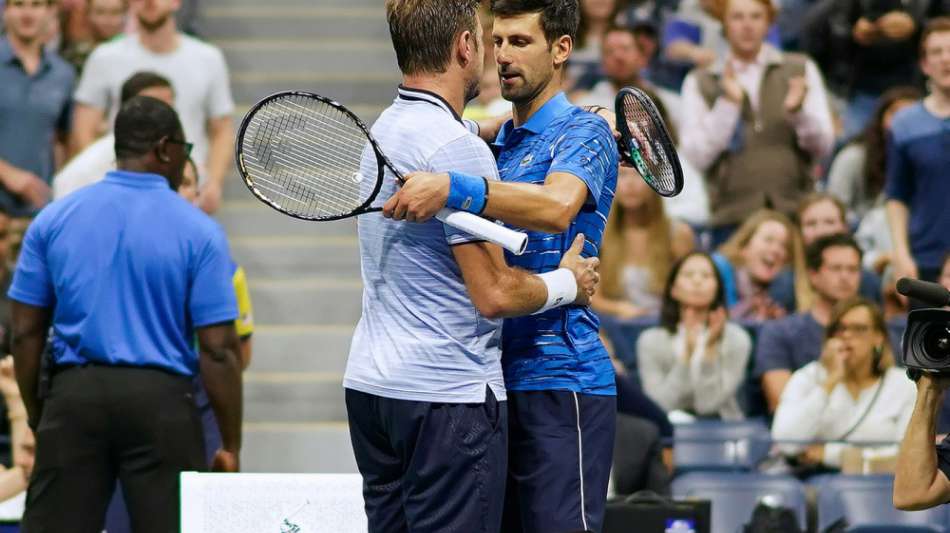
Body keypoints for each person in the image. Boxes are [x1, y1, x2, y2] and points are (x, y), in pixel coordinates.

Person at [344, 2, 600, 532]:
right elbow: (495, 295)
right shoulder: (463, 144)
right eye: (494, 41)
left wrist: (587, 129)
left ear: (561, 49)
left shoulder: (384, 131)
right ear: (466, 47)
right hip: (450, 394)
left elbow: (556, 206)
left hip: (399, 385)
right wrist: (567, 283)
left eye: (518, 42)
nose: (501, 55)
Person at [7, 96, 242, 532]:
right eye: (184, 153)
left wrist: (43, 414)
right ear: (167, 150)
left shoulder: (54, 219)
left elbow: (24, 333)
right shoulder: (200, 232)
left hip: (75, 397)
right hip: (163, 403)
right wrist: (230, 442)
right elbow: (219, 349)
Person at [103, 155, 254, 533]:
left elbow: (238, 353)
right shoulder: (116, 258)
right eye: (175, 183)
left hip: (201, 407)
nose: (181, 192)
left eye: (189, 184)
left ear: (199, 193)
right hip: (133, 403)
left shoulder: (225, 267)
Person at [680, 0, 835, 247]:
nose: (747, 25)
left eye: (755, 16)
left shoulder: (800, 69)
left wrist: (798, 113)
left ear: (769, 22)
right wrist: (727, 106)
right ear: (724, 22)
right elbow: (697, 156)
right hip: (730, 216)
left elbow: (823, 146)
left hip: (794, 211)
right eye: (738, 17)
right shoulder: (700, 79)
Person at [71, 0, 234, 213]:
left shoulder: (208, 58)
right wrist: (100, 180)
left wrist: (213, 183)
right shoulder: (105, 57)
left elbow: (222, 129)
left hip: (187, 194)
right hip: (124, 194)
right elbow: (84, 128)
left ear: (176, 2)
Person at [772, 298, 914, 473]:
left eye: (859, 329)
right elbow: (787, 443)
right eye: (840, 329)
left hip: (883, 487)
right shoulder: (808, 378)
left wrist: (830, 454)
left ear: (878, 338)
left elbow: (905, 455)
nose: (846, 336)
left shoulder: (903, 385)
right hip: (815, 484)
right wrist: (830, 381)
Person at [756, 233, 864, 413]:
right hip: (802, 435)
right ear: (813, 276)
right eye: (836, 269)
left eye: (853, 269)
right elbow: (782, 404)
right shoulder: (779, 333)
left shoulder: (875, 333)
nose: (845, 277)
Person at [638, 251, 752, 420]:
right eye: (688, 274)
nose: (697, 281)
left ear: (718, 288)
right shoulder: (650, 341)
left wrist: (709, 350)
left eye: (706, 276)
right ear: (673, 289)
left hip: (722, 429)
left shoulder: (737, 339)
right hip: (669, 433)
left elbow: (709, 405)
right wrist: (686, 357)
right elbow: (659, 406)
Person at [886, 18, 950, 291]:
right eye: (936, 52)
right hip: (924, 258)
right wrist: (901, 253)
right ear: (924, 64)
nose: (946, 59)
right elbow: (896, 195)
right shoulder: (904, 124)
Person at [0, 0, 75, 216]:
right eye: (19, 4)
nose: (27, 13)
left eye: (36, 4)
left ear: (50, 11)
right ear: (6, 10)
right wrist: (8, 174)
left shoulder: (62, 74)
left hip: (39, 211)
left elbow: (65, 140)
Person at [594, 164, 694, 320]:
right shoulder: (601, 234)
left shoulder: (677, 234)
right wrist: (619, 308)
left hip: (666, 325)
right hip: (617, 327)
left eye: (638, 175)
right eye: (623, 175)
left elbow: (689, 293)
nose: (630, 184)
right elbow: (594, 297)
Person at [53, 71, 174, 199]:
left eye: (169, 105)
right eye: (153, 107)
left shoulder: (175, 155)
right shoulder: (89, 166)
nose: (164, 114)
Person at [826, 87, 922, 226]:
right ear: (880, 119)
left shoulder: (928, 160)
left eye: (911, 116)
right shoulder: (854, 157)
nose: (902, 122)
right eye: (895, 113)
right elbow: (834, 208)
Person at [769, 194, 882, 309]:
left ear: (845, 228)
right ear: (799, 232)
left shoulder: (867, 281)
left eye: (829, 222)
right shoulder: (785, 282)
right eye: (811, 223)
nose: (821, 231)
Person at [713, 209, 808, 322]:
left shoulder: (783, 290)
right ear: (744, 247)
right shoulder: (719, 268)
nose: (776, 250)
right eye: (768, 240)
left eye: (784, 246)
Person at [58, 0, 127, 75]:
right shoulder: (73, 55)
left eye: (115, 12)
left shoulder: (132, 52)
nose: (108, 20)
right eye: (100, 12)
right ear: (88, 14)